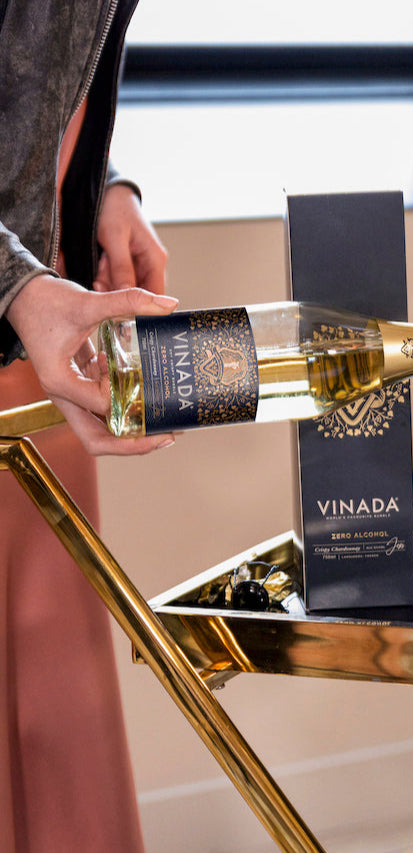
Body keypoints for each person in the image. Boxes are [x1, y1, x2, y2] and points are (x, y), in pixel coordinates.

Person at [1, 1, 177, 849]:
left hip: (35, 335)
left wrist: (97, 185)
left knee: (55, 702)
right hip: (24, 309)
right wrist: (15, 283)